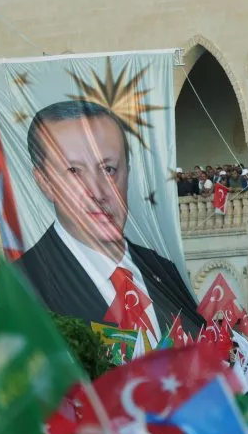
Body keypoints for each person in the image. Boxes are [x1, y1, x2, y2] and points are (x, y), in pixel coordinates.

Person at [15, 100, 203, 339]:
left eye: (108, 169)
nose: (97, 192)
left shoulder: (162, 270)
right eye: (74, 171)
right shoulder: (23, 286)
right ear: (44, 182)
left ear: (128, 172)